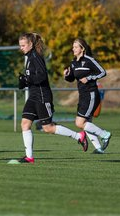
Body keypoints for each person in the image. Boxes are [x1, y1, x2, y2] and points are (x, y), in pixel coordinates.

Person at [17, 32, 88, 164]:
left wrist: (28, 79)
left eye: (23, 45)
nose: (21, 48)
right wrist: (25, 81)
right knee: (25, 124)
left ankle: (79, 136)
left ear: (30, 44)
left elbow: (42, 76)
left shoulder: (35, 57)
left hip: (42, 96)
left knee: (48, 128)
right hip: (33, 96)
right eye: (20, 45)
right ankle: (29, 157)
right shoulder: (29, 57)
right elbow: (33, 78)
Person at [64, 38, 111, 154]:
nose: (73, 49)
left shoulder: (89, 60)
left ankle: (105, 134)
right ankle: (99, 148)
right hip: (82, 95)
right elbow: (71, 78)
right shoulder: (73, 62)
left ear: (82, 48)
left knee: (80, 123)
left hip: (91, 94)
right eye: (73, 47)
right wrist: (66, 75)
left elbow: (102, 72)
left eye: (75, 47)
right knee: (86, 123)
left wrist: (89, 78)